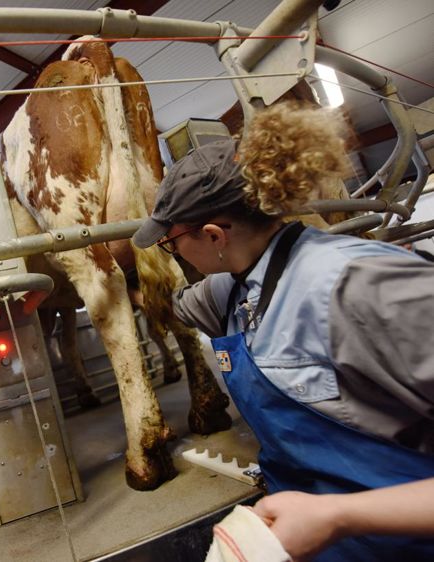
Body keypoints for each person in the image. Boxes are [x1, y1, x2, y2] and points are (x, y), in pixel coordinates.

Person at [132, 101, 434, 561]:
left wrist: (340, 516)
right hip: (311, 536)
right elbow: (167, 305)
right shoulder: (228, 294)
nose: (172, 255)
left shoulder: (363, 286)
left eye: (171, 243)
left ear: (214, 237)